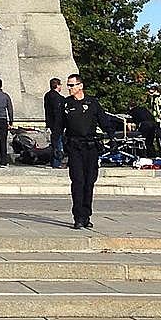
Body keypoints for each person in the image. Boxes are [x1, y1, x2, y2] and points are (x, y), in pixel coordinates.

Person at [56, 73, 116, 230]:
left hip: (91, 147)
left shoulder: (92, 103)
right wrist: (58, 146)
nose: (69, 88)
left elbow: (104, 121)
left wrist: (112, 137)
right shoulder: (65, 104)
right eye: (68, 85)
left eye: (72, 85)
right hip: (75, 147)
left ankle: (86, 214)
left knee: (89, 182)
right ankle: (77, 217)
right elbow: (59, 126)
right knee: (77, 181)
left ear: (80, 86)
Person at [43, 77, 65, 168]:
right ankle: (57, 162)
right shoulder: (58, 98)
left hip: (50, 122)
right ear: (57, 86)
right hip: (57, 124)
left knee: (54, 143)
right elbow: (58, 112)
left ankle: (54, 161)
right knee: (58, 143)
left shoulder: (47, 95)